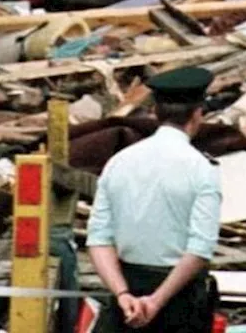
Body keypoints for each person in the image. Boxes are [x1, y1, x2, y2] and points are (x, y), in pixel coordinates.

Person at [86, 67, 222, 331]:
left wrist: (123, 295)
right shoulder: (201, 169)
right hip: (177, 296)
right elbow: (199, 249)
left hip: (126, 292)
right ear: (197, 114)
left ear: (155, 113)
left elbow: (99, 238)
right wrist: (156, 302)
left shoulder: (119, 162)